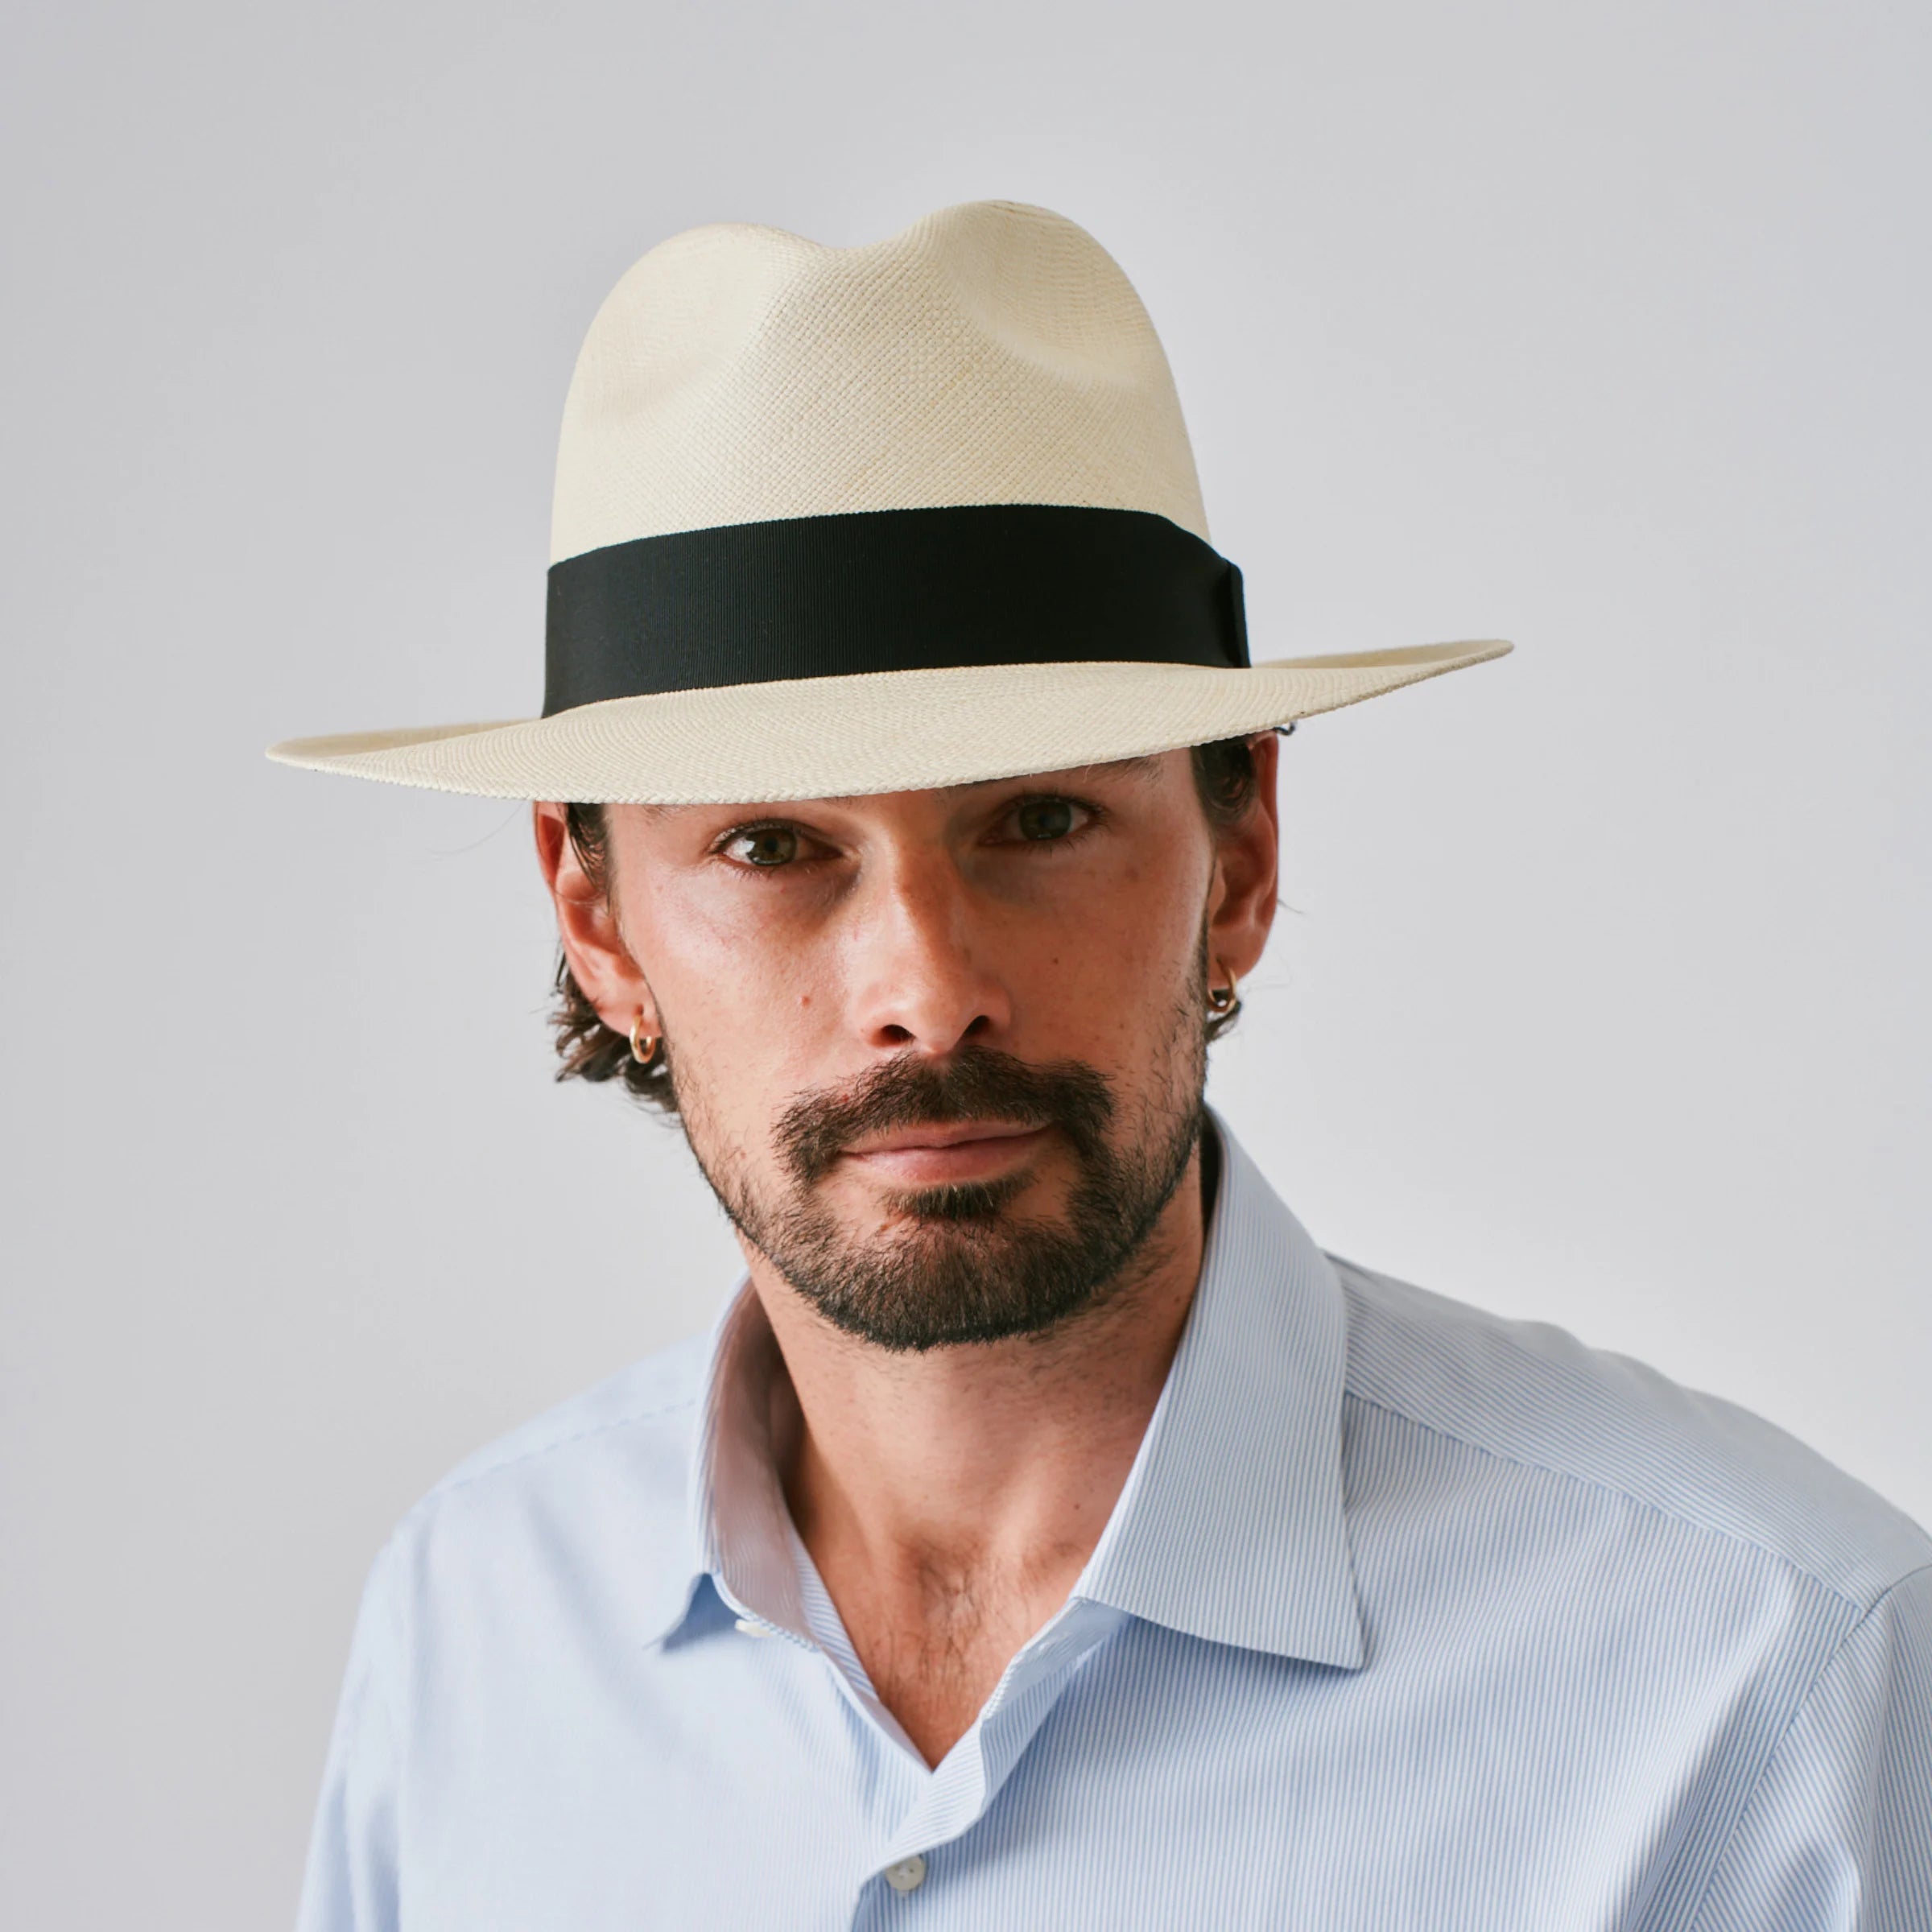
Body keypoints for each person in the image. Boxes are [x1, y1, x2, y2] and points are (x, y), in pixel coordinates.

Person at [275, 202, 1931, 1930]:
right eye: (774, 847)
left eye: (1042, 818)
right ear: (595, 917)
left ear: (1245, 855)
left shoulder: (1768, 1688)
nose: (926, 989)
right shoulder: (473, 1630)